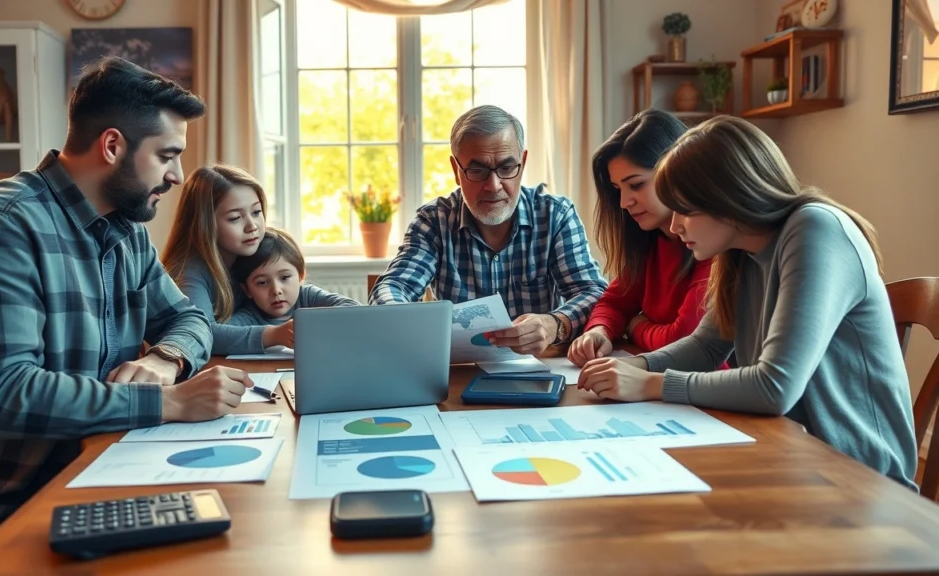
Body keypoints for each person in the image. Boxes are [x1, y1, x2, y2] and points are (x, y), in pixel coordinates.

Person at [0, 56, 254, 573]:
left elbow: (189, 320)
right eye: (167, 155)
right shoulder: (0, 225)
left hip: (89, 476)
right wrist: (166, 404)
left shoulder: (126, 232)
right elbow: (3, 396)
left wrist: (165, 360)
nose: (179, 175)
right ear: (113, 146)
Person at [577, 115, 918, 489]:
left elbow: (775, 387)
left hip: (857, 477)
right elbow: (706, 346)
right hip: (789, 451)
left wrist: (648, 384)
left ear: (727, 199)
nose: (674, 227)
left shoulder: (815, 230)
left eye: (685, 210)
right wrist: (631, 367)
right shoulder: (739, 250)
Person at [369, 105, 607, 355]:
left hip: (540, 366)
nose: (493, 186)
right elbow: (393, 288)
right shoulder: (434, 221)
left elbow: (593, 292)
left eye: (506, 168)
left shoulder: (555, 215)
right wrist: (402, 318)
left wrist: (554, 324)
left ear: (522, 163)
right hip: (460, 372)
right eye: (477, 170)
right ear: (456, 171)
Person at [568, 109, 713, 366]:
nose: (624, 202)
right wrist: (598, 331)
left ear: (676, 170)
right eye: (617, 189)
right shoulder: (651, 241)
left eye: (635, 185)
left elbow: (684, 341)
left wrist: (635, 326)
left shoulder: (712, 243)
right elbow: (613, 303)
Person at [161, 164, 276, 355]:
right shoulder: (188, 270)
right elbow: (201, 334)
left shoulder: (253, 252)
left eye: (256, 212)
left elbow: (297, 293)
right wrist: (274, 335)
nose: (252, 226)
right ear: (204, 224)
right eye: (235, 218)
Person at [231, 228, 359, 348]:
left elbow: (354, 309)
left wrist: (314, 324)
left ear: (300, 276)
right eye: (262, 282)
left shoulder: (308, 296)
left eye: (285, 277)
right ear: (247, 289)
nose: (276, 290)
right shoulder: (248, 315)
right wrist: (275, 335)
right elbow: (219, 338)